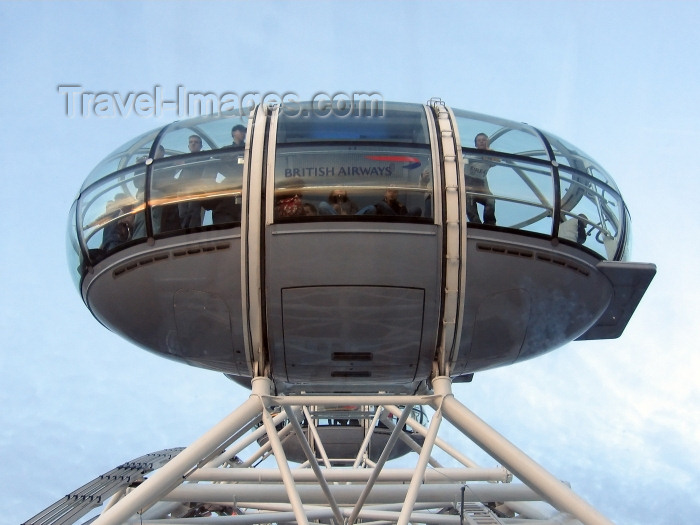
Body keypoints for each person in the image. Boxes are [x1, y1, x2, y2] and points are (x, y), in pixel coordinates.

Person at [465, 132, 497, 225]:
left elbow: (496, 161)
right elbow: (463, 162)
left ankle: (490, 223)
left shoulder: (490, 154)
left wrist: (487, 151)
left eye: (484, 140)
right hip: (468, 181)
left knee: (490, 199)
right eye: (479, 140)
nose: (482, 142)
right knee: (469, 200)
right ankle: (476, 223)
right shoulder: (470, 154)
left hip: (480, 184)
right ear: (476, 144)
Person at [177, 134, 206, 228]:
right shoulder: (185, 159)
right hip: (182, 190)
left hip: (195, 190)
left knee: (193, 212)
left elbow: (200, 164)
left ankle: (193, 234)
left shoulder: (204, 157)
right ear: (188, 146)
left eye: (196, 142)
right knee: (182, 214)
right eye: (191, 142)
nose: (193, 144)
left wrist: (185, 162)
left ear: (201, 146)